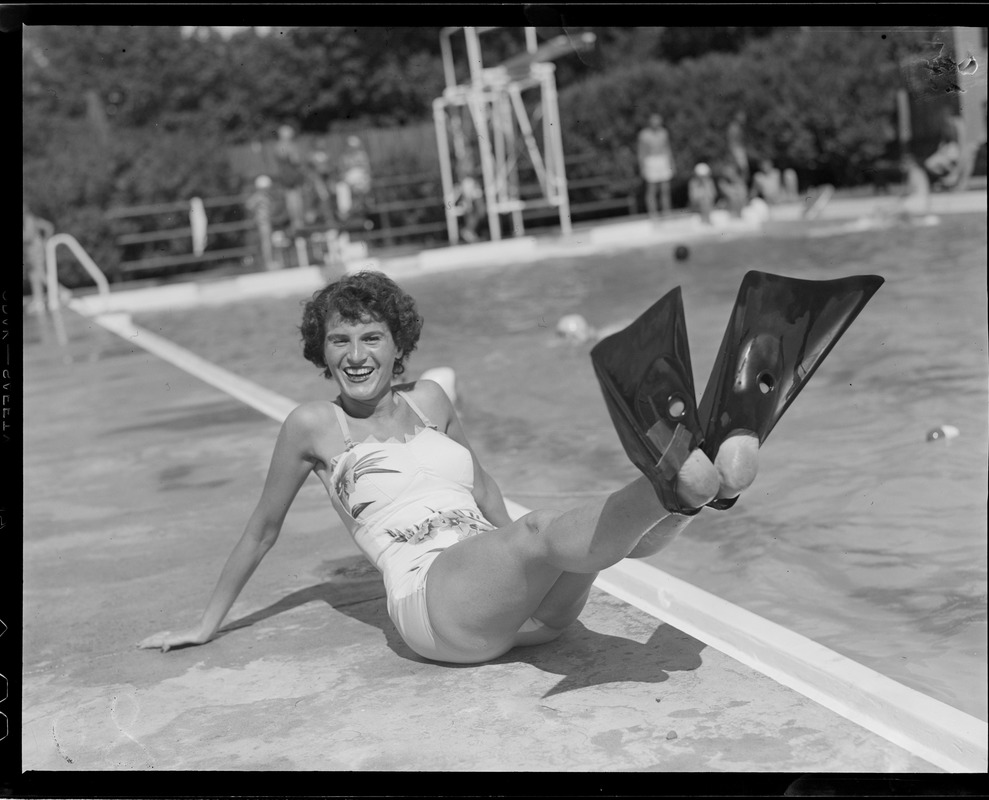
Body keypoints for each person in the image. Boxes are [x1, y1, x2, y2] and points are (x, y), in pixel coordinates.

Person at [138, 271, 769, 664]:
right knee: (544, 530)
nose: (356, 355)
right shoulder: (313, 425)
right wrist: (205, 625)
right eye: (340, 341)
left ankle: (695, 493)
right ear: (321, 352)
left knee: (594, 544)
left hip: (532, 618)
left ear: (398, 345)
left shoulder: (432, 400)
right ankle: (682, 481)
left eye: (371, 337)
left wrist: (537, 551)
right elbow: (262, 531)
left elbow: (484, 484)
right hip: (439, 610)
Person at [637, 113, 674, 219]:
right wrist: (642, 167)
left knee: (665, 189)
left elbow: (667, 148)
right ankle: (653, 214)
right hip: (650, 161)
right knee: (652, 189)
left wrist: (672, 163)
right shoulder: (644, 134)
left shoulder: (664, 133)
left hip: (663, 160)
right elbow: (641, 152)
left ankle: (667, 212)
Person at [273, 124, 307, 232]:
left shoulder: (277, 146)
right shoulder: (289, 146)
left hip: (285, 176)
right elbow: (295, 160)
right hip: (292, 175)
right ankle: (298, 222)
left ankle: (296, 222)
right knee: (295, 198)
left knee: (291, 198)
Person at [924, 109, 967, 190]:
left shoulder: (958, 123)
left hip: (956, 149)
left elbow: (962, 141)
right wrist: (941, 149)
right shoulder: (945, 125)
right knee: (929, 163)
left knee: (953, 157)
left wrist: (962, 153)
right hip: (947, 150)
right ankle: (949, 176)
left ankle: (953, 175)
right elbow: (944, 141)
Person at [23, 204, 54, 314]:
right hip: (30, 251)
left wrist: (46, 241)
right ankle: (38, 301)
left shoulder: (29, 219)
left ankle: (62, 292)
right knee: (34, 276)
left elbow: (29, 236)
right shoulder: (29, 219)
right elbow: (48, 226)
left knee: (40, 275)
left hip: (36, 250)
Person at [245, 176, 278, 271]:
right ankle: (268, 263)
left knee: (267, 242)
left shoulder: (263, 196)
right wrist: (257, 215)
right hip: (263, 222)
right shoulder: (259, 196)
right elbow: (249, 205)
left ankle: (268, 262)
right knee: (266, 242)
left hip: (265, 221)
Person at [727, 109, 749, 181]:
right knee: (742, 169)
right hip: (736, 149)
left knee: (743, 170)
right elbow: (732, 141)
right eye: (742, 116)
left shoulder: (739, 127)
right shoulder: (734, 127)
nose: (744, 118)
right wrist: (734, 152)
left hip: (738, 149)